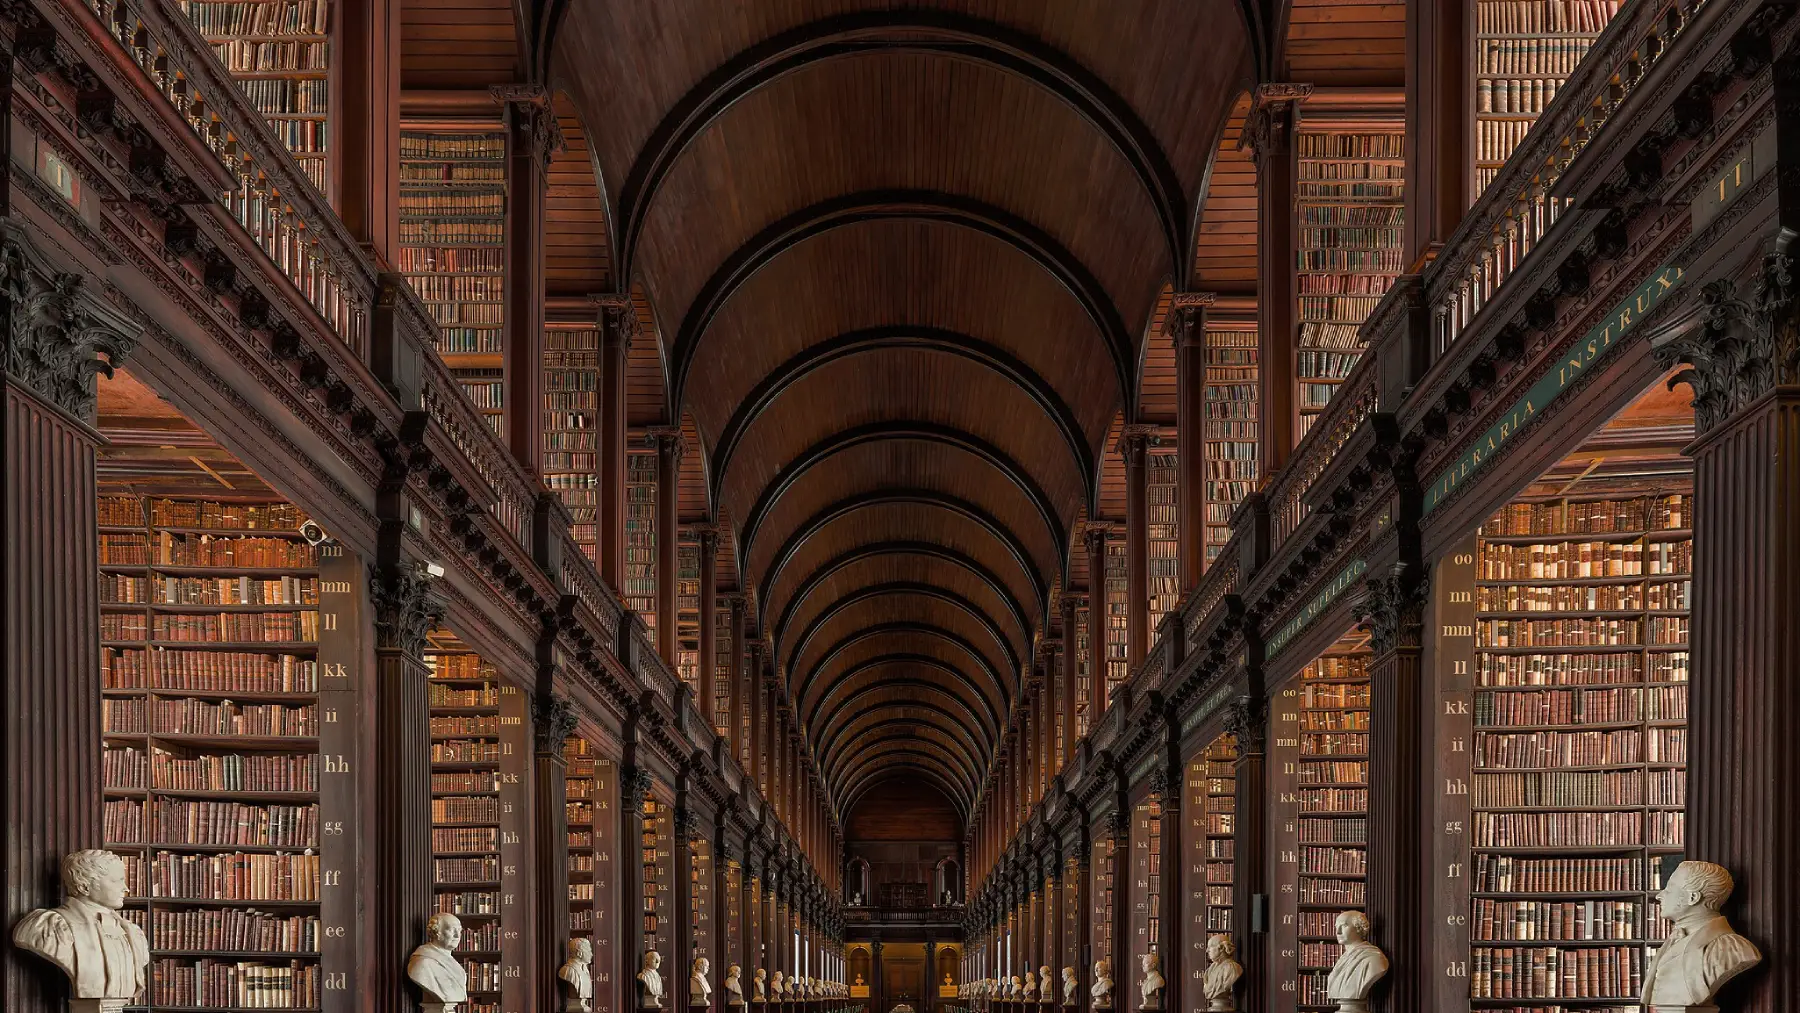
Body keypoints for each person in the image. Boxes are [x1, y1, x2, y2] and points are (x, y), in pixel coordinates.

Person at [12, 850, 151, 1001]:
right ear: (85, 886)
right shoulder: (47, 926)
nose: (126, 888)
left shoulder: (132, 933)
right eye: (116, 881)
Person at [1642, 860, 1761, 1006]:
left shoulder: (1734, 949)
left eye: (1669, 888)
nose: (1659, 895)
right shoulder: (1673, 939)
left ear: (1693, 898)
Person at [1324, 912, 1388, 1010]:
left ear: (1359, 928)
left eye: (1344, 926)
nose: (1338, 932)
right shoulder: (1343, 959)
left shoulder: (1373, 958)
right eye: (1336, 926)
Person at [407, 913, 469, 1004]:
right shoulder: (423, 963)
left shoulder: (454, 964)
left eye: (459, 930)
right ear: (436, 932)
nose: (457, 935)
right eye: (451, 930)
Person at [1200, 935, 1241, 1011]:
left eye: (1210, 947)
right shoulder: (1210, 970)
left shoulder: (1232, 968)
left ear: (1221, 948)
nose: (1207, 950)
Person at [561, 938, 595, 1013]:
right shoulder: (568, 971)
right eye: (589, 951)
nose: (591, 954)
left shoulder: (585, 970)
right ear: (579, 953)